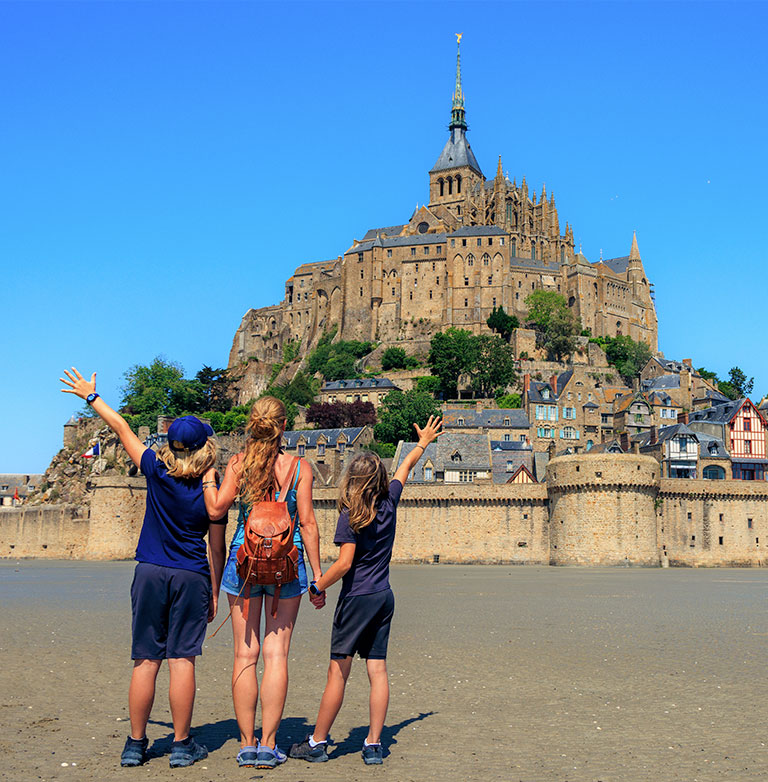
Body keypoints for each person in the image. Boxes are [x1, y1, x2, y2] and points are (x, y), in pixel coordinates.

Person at [59, 367, 225, 769]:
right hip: (191, 574)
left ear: (170, 444)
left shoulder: (155, 468)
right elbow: (216, 547)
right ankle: (181, 745)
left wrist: (91, 396)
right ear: (204, 446)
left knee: (146, 660)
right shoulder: (211, 489)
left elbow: (121, 427)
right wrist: (215, 591)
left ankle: (135, 745)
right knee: (182, 660)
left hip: (150, 570)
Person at [289, 415, 442, 766]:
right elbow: (405, 467)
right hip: (384, 596)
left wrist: (316, 586)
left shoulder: (351, 515)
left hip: (357, 598)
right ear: (380, 480)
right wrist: (423, 442)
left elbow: (344, 564)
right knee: (377, 670)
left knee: (338, 672)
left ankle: (317, 742)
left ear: (352, 480)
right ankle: (373, 744)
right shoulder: (390, 502)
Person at [202, 395, 324, 769]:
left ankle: (246, 744)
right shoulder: (300, 468)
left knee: (245, 654)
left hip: (244, 560)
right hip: (288, 562)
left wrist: (208, 476)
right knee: (276, 655)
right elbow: (308, 524)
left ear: (252, 425)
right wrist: (318, 576)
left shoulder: (239, 464)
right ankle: (269, 746)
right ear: (284, 426)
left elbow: (216, 508)